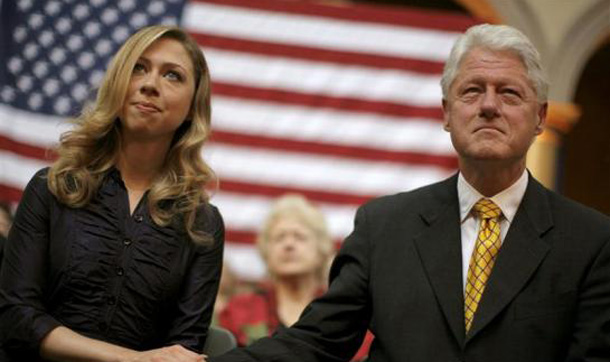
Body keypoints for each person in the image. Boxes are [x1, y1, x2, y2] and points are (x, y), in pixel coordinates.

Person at [208, 24, 610, 362]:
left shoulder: (591, 242)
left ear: (539, 117)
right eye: (472, 91)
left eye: (509, 93)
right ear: (446, 113)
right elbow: (316, 341)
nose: (489, 105)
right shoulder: (383, 227)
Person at [0, 25, 224, 362]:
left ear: (193, 107)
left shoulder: (202, 225)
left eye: (173, 76)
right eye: (138, 68)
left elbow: (183, 351)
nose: (150, 85)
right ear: (117, 83)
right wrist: (129, 359)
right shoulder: (50, 188)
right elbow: (16, 318)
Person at [218, 195, 372, 361]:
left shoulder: (346, 310)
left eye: (300, 237)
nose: (289, 244)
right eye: (279, 238)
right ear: (265, 251)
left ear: (321, 250)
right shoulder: (239, 310)